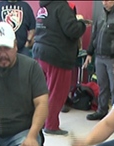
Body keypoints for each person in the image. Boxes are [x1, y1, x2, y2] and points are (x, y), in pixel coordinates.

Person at [32, 0, 88, 136]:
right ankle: (51, 125)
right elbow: (72, 30)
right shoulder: (61, 7)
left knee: (44, 91)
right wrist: (81, 23)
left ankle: (42, 121)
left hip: (40, 52)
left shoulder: (43, 7)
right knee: (58, 92)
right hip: (57, 55)